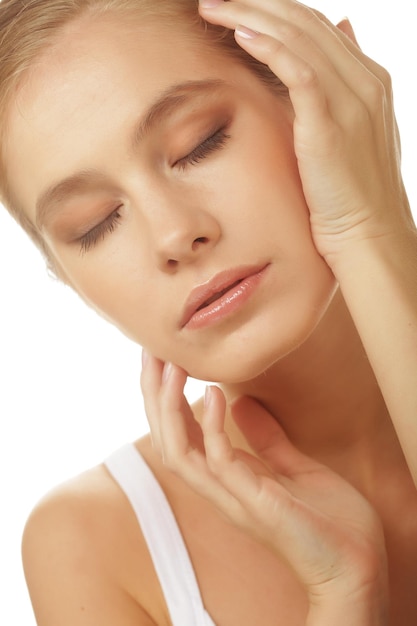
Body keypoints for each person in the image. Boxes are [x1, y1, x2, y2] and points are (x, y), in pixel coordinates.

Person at [1, 0, 416, 623]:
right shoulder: (95, 544)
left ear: (320, 84)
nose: (173, 235)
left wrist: (366, 226)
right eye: (95, 225)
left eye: (201, 144)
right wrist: (343, 597)